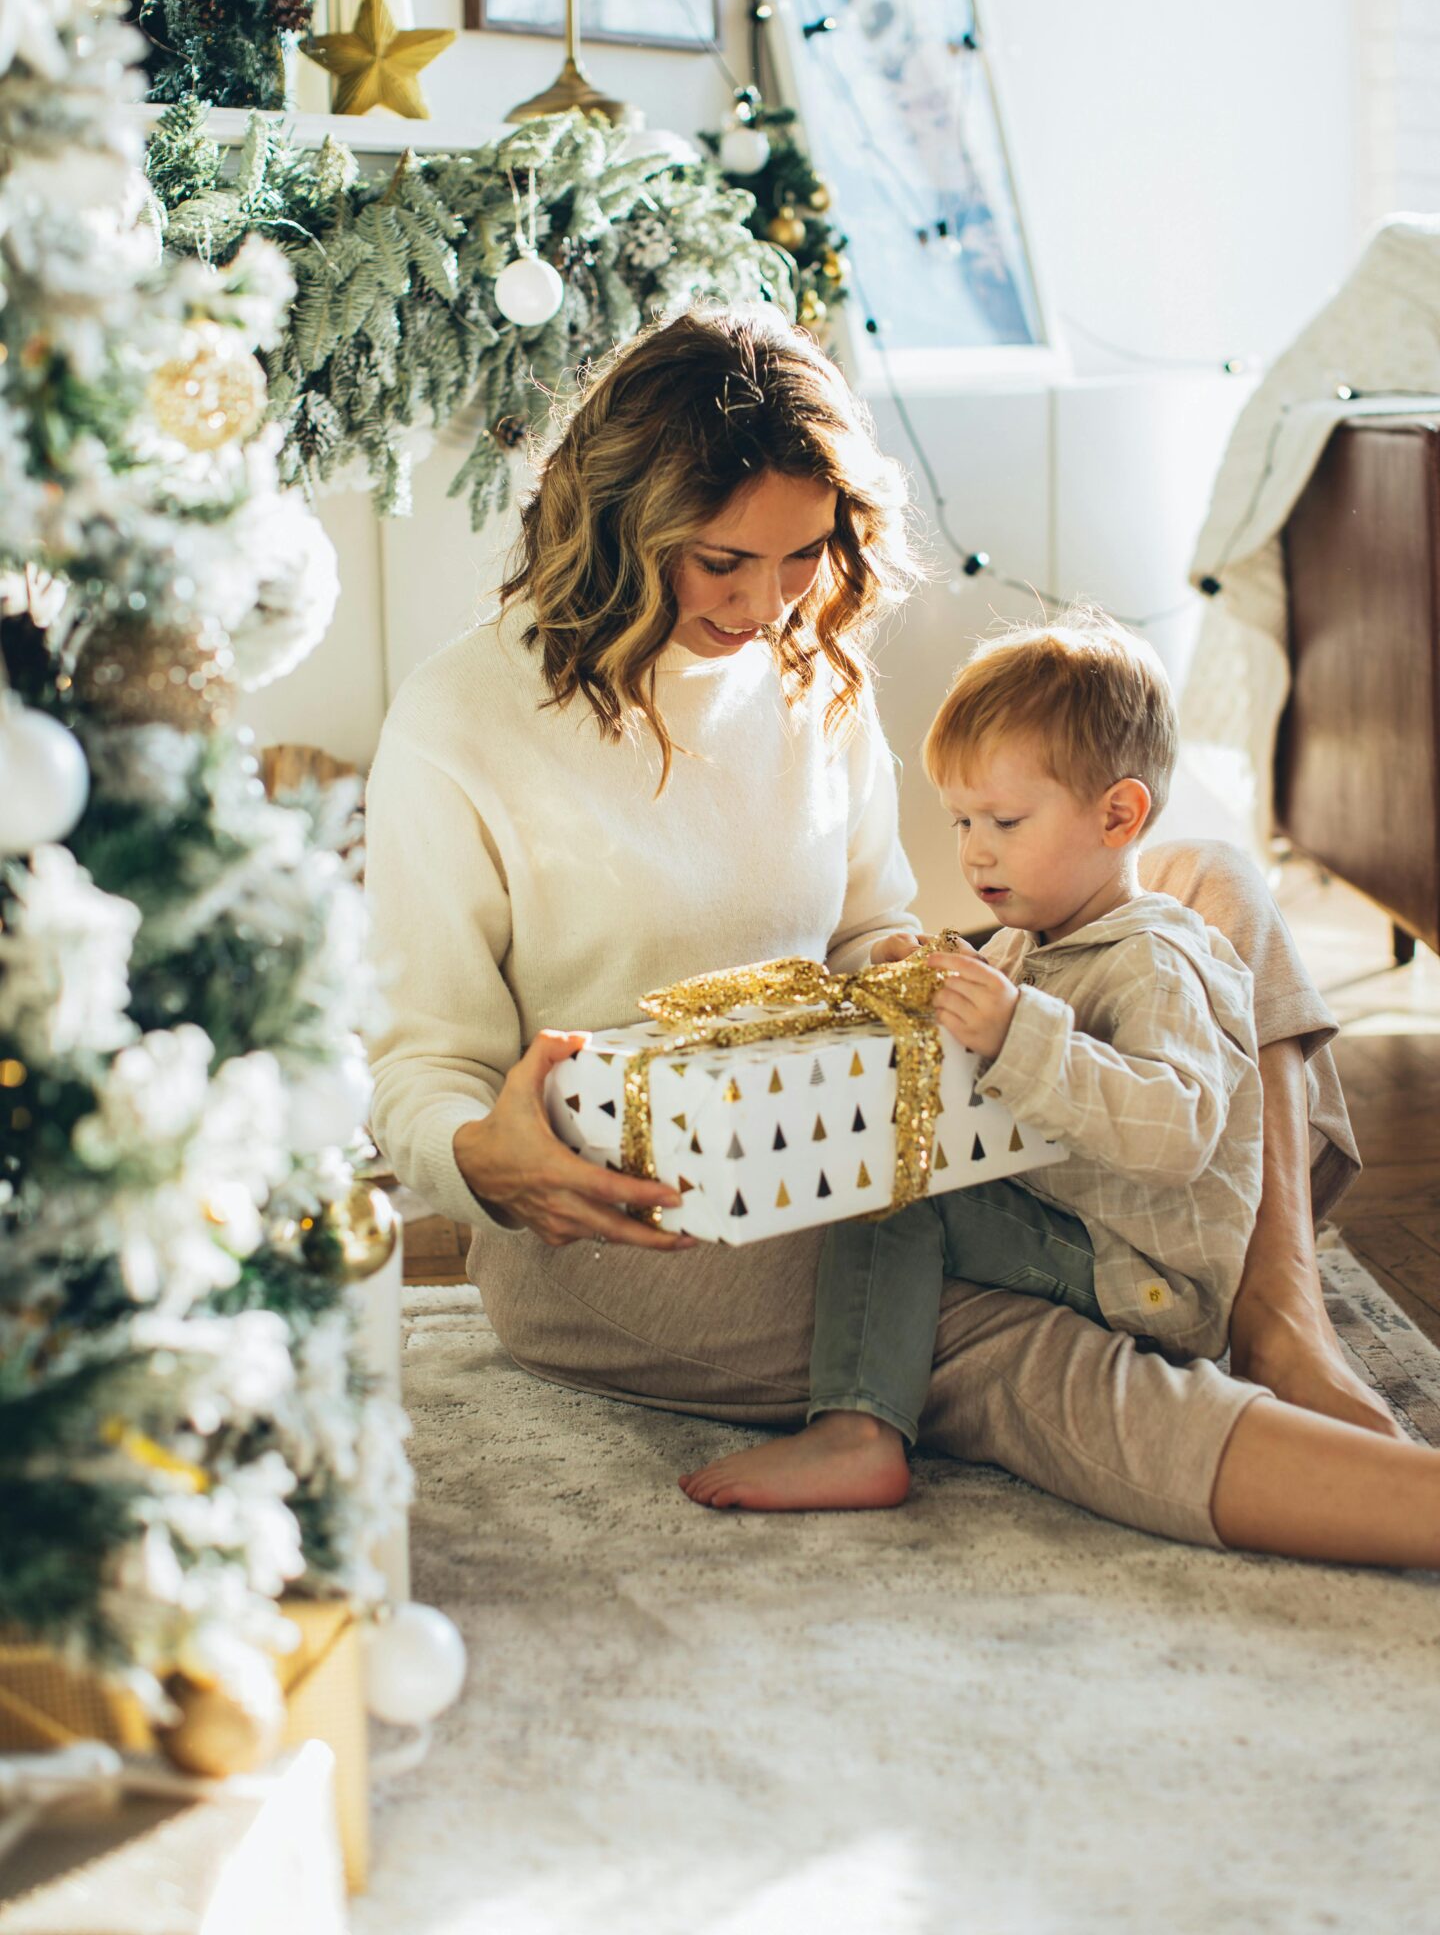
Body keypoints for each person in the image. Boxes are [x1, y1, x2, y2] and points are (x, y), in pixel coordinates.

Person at [366, 303, 1440, 1574]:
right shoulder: (461, 722)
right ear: (617, 526)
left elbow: (868, 926)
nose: (767, 601)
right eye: (722, 562)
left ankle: (1278, 1320)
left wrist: (935, 975)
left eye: (803, 555)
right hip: (640, 1229)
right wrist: (489, 1163)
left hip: (850, 1130)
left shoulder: (810, 671)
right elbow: (414, 1075)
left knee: (1201, 888)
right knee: (996, 1338)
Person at [679, 612, 1265, 1513]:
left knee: (900, 1188)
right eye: (961, 819)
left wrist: (1017, 1029)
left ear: (1119, 815)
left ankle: (858, 1431)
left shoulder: (1154, 960)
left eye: (1005, 819)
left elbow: (1178, 1131)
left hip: (1140, 1271)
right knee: (884, 1162)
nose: (975, 850)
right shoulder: (1039, 939)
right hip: (1067, 1218)